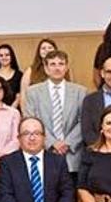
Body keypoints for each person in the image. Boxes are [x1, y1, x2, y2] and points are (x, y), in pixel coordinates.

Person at [24, 50, 87, 180]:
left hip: (72, 155)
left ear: (66, 67)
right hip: (44, 152)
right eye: (52, 64)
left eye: (61, 64)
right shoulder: (33, 92)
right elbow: (31, 121)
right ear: (46, 68)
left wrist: (67, 143)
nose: (57, 68)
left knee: (71, 197)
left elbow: (84, 121)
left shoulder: (80, 91)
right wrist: (52, 143)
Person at [19, 38, 57, 110]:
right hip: (36, 110)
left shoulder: (61, 69)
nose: (47, 50)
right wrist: (25, 114)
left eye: (50, 48)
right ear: (39, 52)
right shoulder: (31, 70)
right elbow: (23, 93)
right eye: (43, 48)